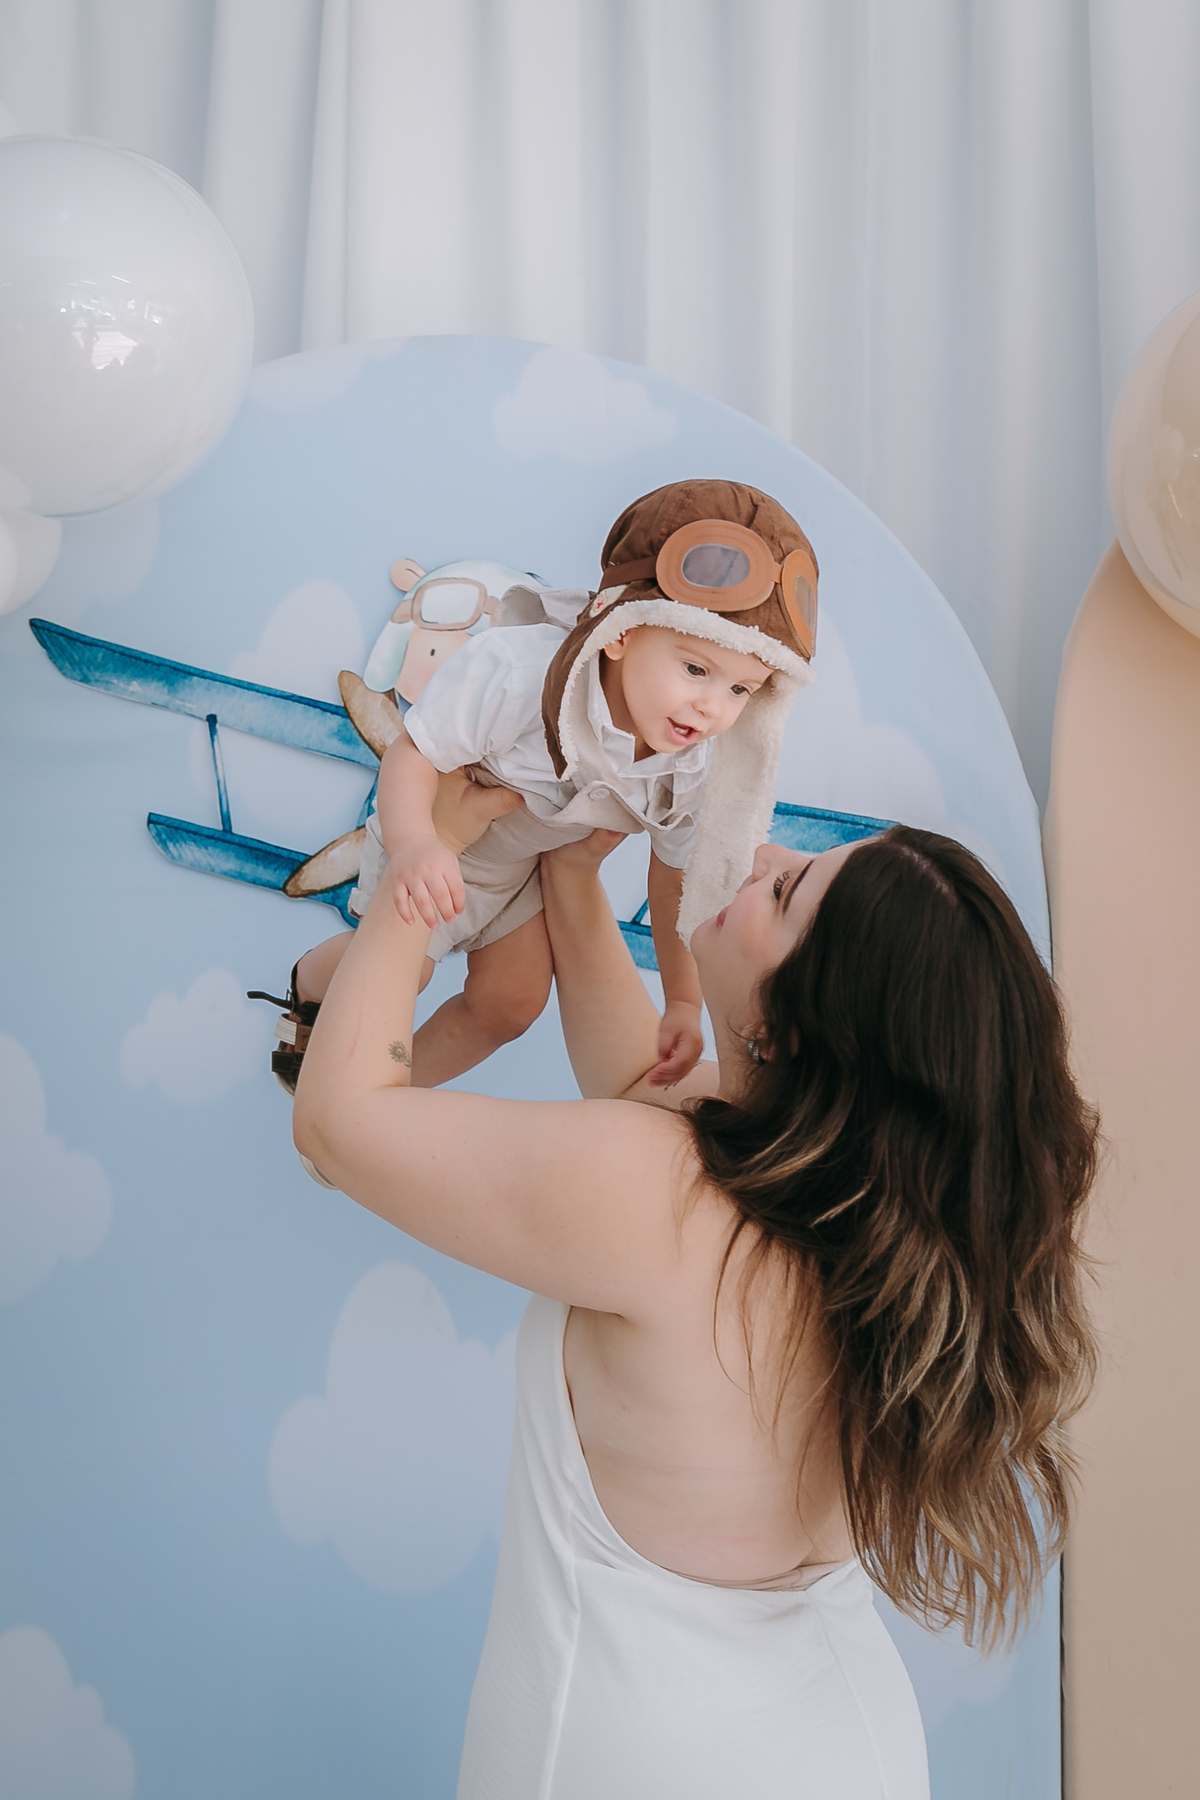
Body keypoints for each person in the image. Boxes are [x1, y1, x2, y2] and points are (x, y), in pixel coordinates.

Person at [292, 776, 1098, 1800]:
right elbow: (644, 1087)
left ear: (791, 1029)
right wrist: (572, 873)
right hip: (846, 1736)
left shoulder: (658, 1196)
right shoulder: (856, 1205)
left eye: (787, 893)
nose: (759, 859)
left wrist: (434, 845)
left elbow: (337, 1122)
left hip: (652, 1750)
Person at [264, 479, 817, 1091]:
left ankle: (387, 1100)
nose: (712, 707)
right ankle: (310, 984)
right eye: (694, 669)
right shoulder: (520, 672)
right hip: (434, 837)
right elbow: (413, 754)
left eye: (740, 689)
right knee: (405, 974)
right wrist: (415, 843)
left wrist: (683, 1000)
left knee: (513, 1004)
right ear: (621, 631)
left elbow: (672, 882)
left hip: (520, 871)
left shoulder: (688, 766)